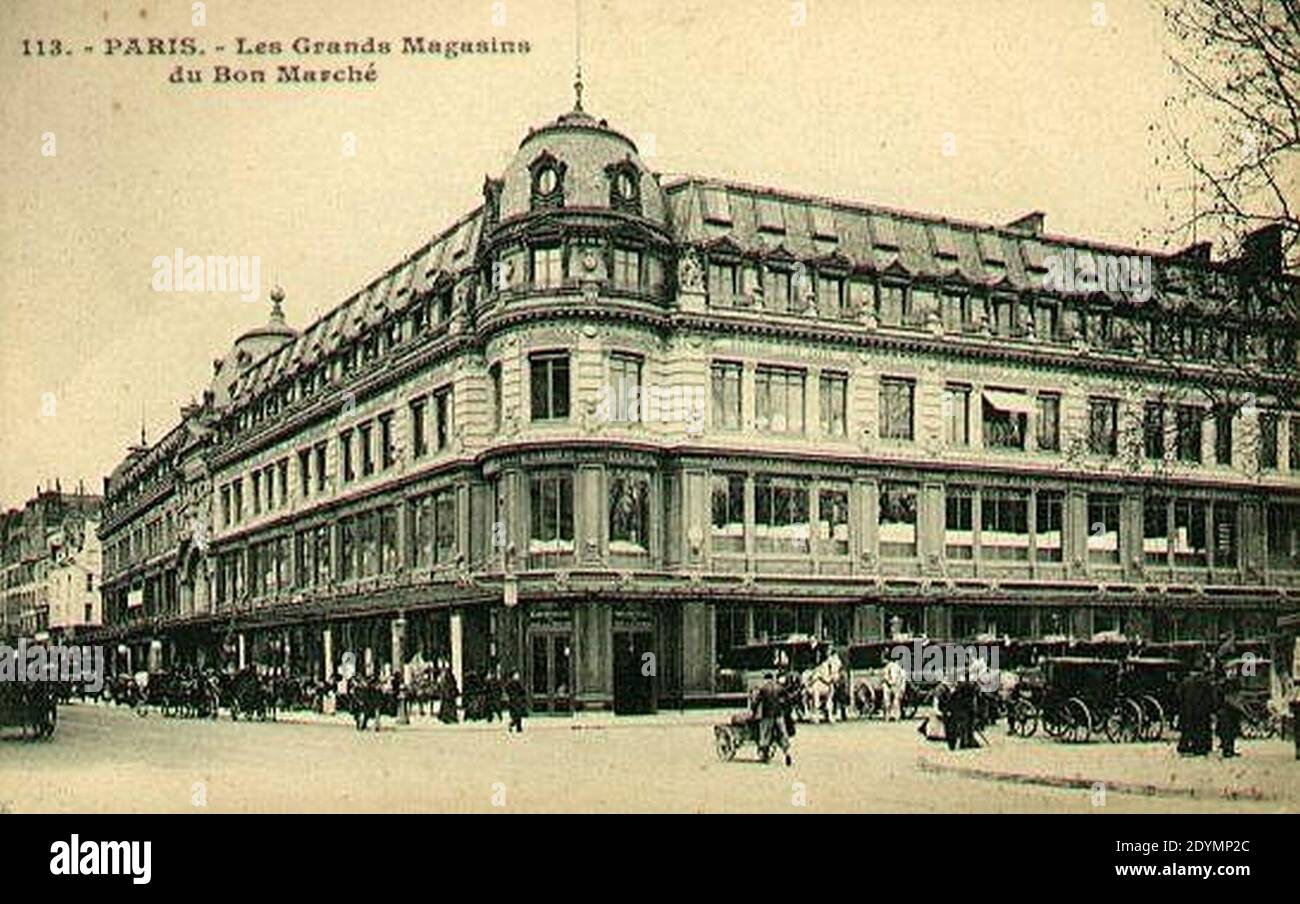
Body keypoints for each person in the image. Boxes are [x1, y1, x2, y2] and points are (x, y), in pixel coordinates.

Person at [752, 672, 792, 766]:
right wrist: (786, 711)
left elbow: (756, 702)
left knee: (765, 733)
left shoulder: (763, 689)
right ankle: (786, 753)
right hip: (779, 715)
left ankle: (765, 755)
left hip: (767, 716)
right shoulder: (779, 688)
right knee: (782, 734)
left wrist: (753, 712)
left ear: (766, 679)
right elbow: (788, 699)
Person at [1177, 667, 1215, 756]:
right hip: (1202, 710)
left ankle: (1184, 747)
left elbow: (1179, 695)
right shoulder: (1205, 682)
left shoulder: (1185, 681)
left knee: (1187, 729)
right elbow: (1210, 697)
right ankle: (1200, 747)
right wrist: (1211, 708)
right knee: (1201, 729)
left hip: (1187, 709)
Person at [1216, 674, 1245, 759]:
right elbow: (1234, 704)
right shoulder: (1228, 695)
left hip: (1227, 714)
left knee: (1229, 733)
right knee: (1228, 733)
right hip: (1228, 714)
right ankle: (1227, 750)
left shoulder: (1224, 691)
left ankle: (1229, 750)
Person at [882, 655, 907, 722]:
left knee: (896, 702)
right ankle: (888, 716)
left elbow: (903, 678)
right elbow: (886, 675)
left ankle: (897, 716)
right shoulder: (890, 666)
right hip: (888, 685)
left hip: (896, 686)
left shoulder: (901, 669)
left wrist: (901, 687)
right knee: (887, 702)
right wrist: (889, 682)